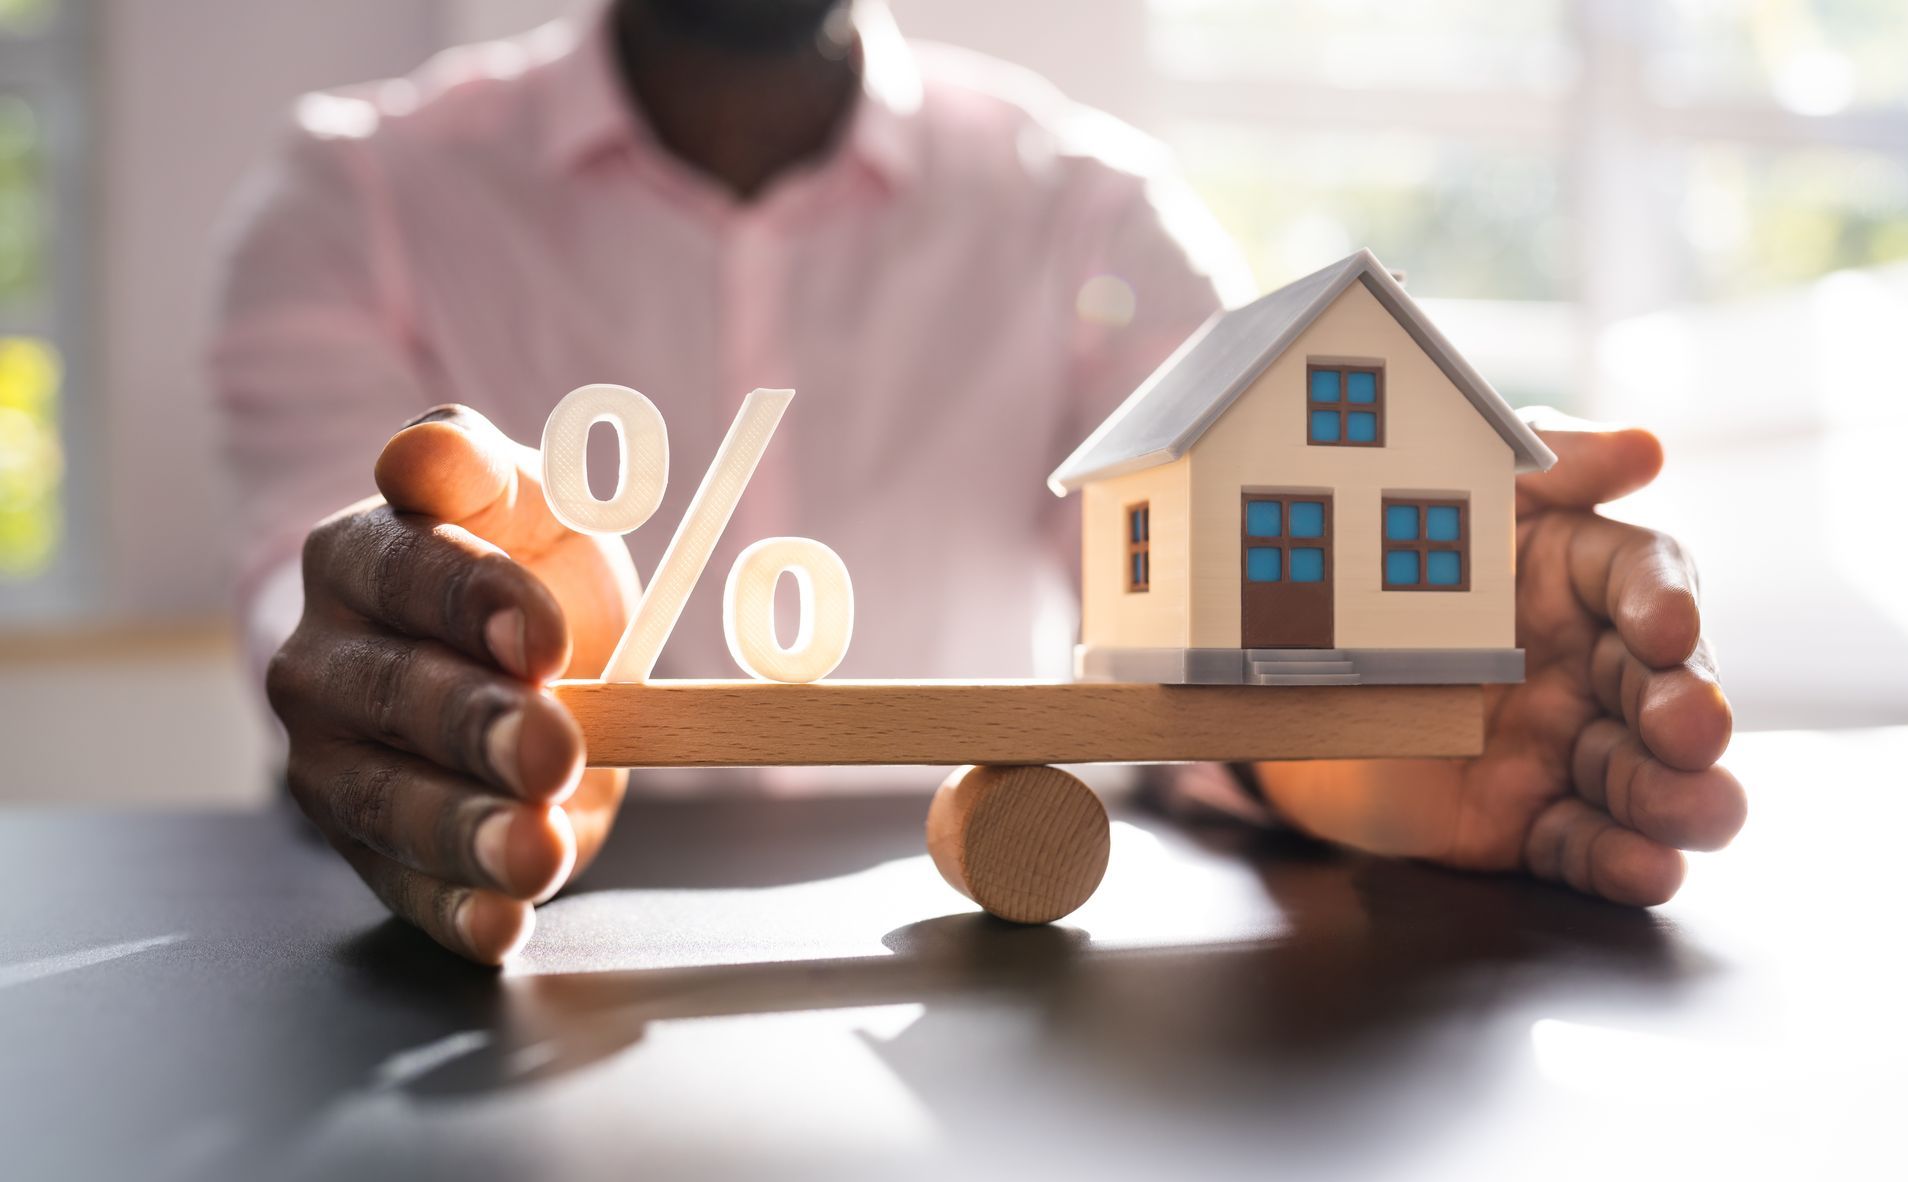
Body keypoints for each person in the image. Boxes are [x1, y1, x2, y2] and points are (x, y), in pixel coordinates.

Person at [216, 0, 1746, 965]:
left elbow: (1181, 581)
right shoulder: (359, 192)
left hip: (977, 935)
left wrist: (1347, 738)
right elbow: (318, 582)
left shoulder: (1088, 209)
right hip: (497, 934)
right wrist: (388, 637)